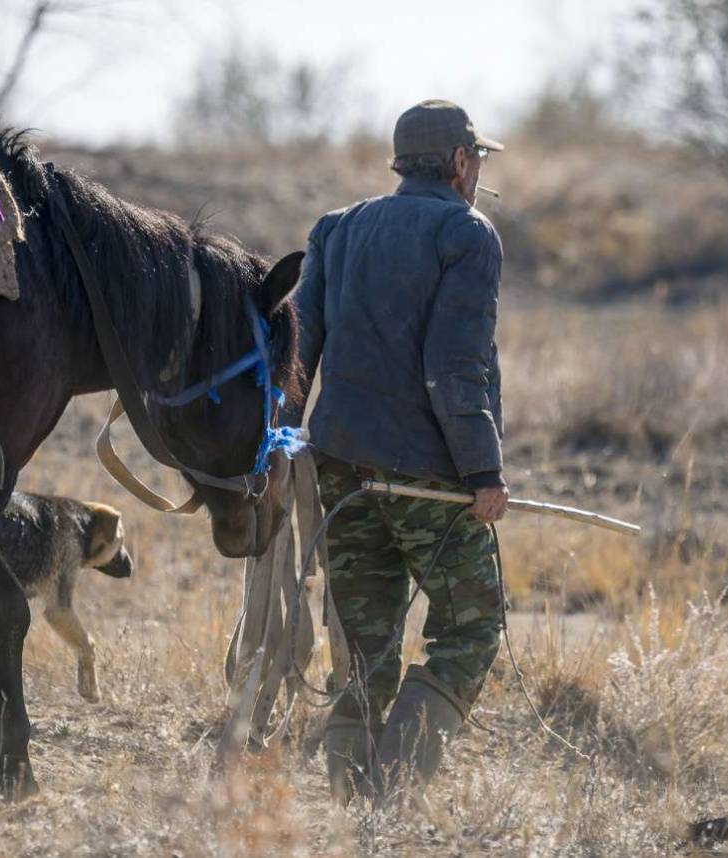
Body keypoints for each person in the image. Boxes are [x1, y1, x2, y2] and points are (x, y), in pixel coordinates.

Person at [291, 98, 509, 807]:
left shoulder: (339, 228)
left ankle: (351, 805)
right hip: (428, 482)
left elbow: (298, 352)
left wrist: (282, 444)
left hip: (338, 467)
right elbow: (454, 367)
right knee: (472, 626)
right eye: (476, 161)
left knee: (363, 644)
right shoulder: (467, 233)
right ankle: (397, 789)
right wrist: (483, 472)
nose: (477, 174)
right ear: (459, 163)